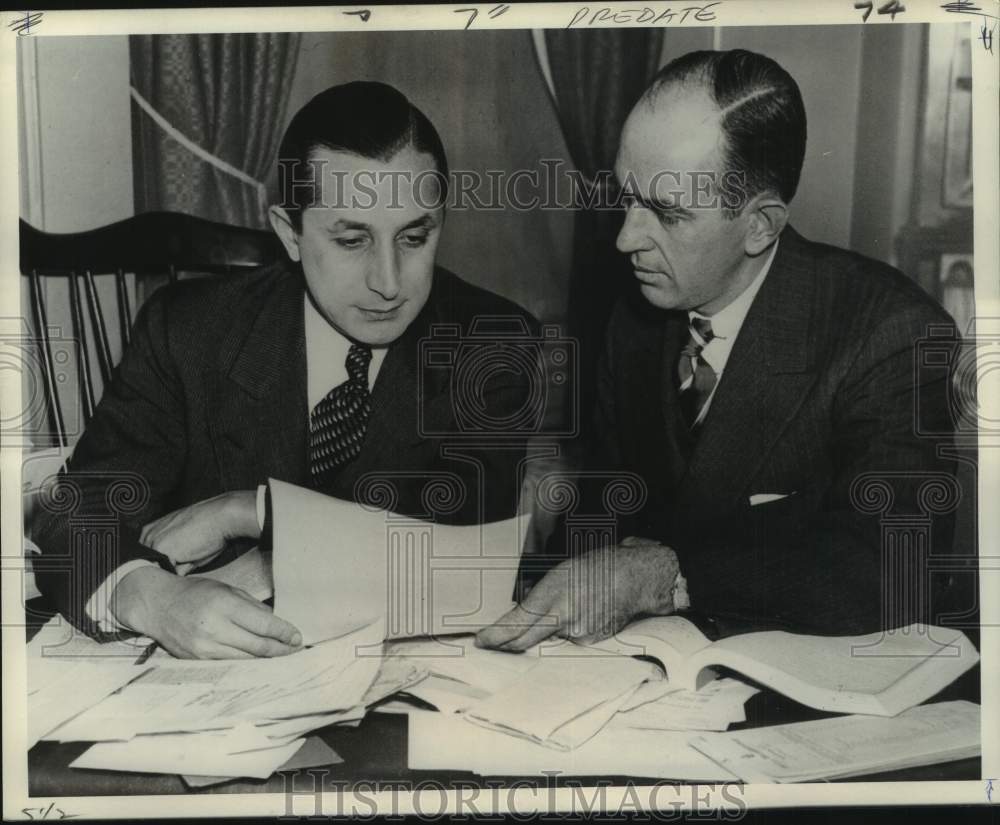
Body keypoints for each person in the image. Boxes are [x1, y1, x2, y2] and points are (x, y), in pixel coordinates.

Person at [479, 49, 971, 651]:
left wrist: (669, 574)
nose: (626, 237)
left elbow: (894, 567)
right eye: (626, 196)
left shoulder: (894, 334)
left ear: (760, 225)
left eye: (666, 213)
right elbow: (596, 522)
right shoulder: (635, 318)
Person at [34, 81, 538, 659]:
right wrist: (150, 596)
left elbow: (463, 559)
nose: (389, 282)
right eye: (351, 240)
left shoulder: (491, 341)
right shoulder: (189, 332)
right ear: (289, 233)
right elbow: (73, 511)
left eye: (415, 236)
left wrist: (251, 513)